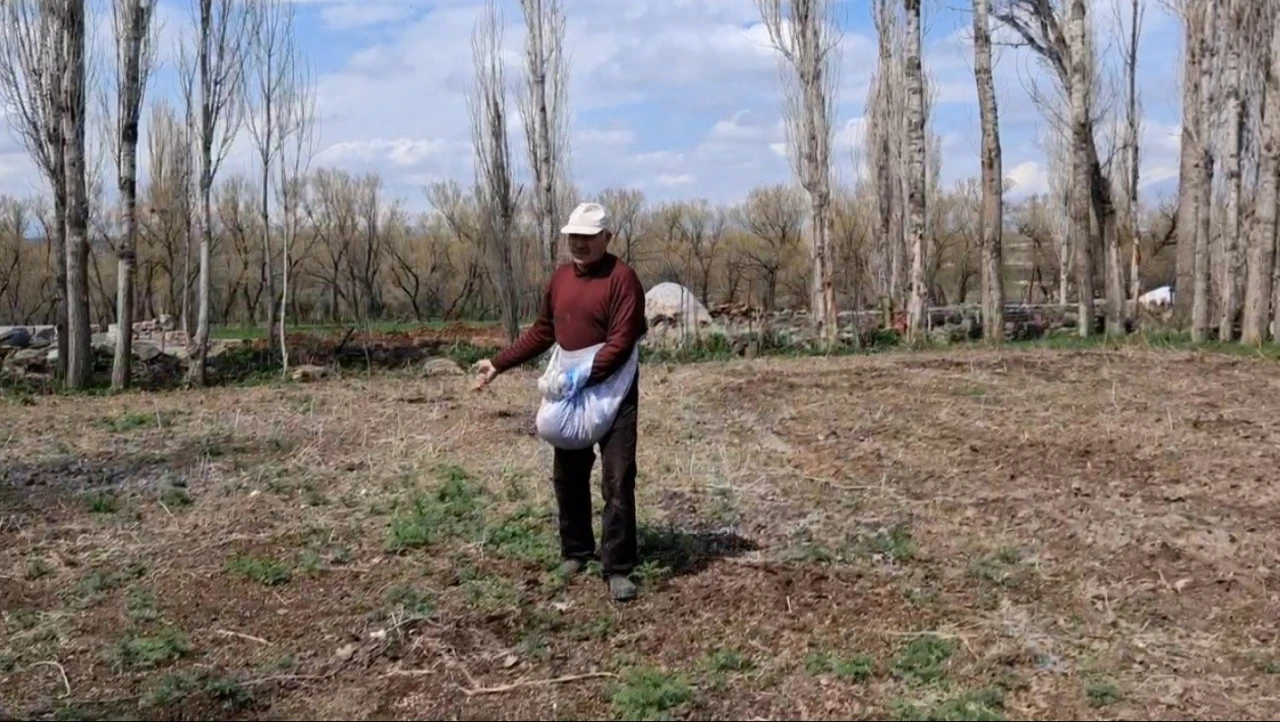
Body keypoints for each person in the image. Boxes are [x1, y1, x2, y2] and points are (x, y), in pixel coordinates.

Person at [474, 201, 649, 602]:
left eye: (588, 237)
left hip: (613, 387)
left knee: (618, 476)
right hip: (571, 386)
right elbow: (543, 331)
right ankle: (576, 551)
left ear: (607, 237)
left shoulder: (623, 279)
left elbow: (621, 343)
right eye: (574, 237)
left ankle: (618, 567)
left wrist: (582, 375)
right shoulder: (561, 279)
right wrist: (499, 363)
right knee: (567, 473)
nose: (579, 244)